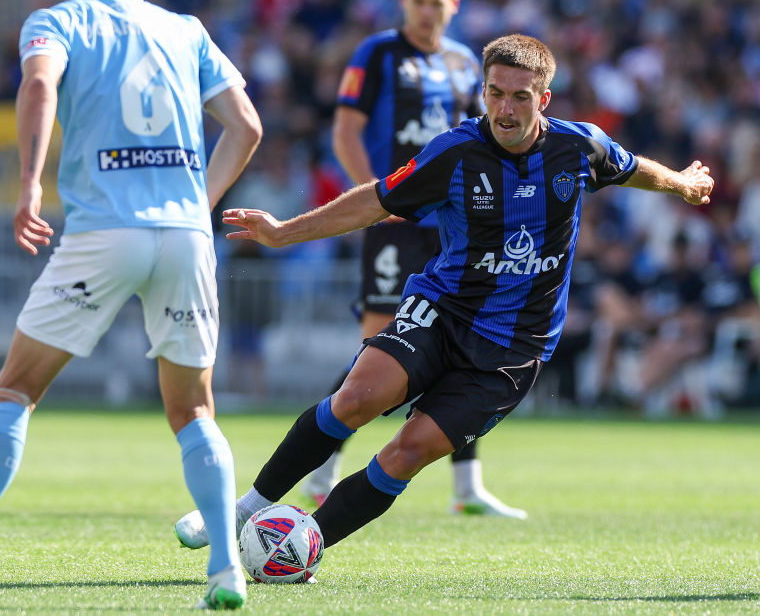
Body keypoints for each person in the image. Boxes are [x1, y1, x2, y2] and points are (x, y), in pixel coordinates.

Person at [175, 33, 713, 553]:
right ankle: (246, 508)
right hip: (442, 312)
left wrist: (683, 182)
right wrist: (284, 231)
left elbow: (632, 168)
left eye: (520, 97)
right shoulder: (455, 153)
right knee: (356, 399)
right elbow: (376, 200)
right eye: (495, 93)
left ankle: (301, 546)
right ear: (483, 91)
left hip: (514, 348)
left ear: (543, 99)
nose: (505, 108)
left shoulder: (579, 147)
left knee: (406, 453)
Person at [0, 0, 262, 610]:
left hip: (104, 231)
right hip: (183, 235)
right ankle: (224, 566)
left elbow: (39, 83)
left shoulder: (55, 20)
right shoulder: (184, 27)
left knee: (15, 388)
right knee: (194, 409)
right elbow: (246, 125)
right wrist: (195, 205)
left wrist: (29, 183)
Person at [301, 0, 525, 519]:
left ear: (454, 5)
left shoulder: (459, 63)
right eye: (418, 1)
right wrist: (374, 200)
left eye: (438, 2)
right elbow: (345, 129)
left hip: (456, 230)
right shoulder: (377, 54)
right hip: (394, 224)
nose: (428, 12)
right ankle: (323, 462)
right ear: (405, 1)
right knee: (380, 345)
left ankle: (467, 485)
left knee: (468, 341)